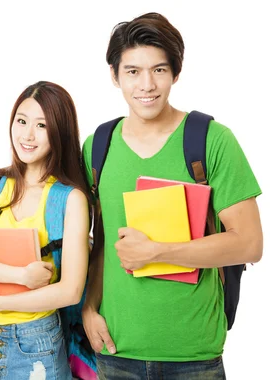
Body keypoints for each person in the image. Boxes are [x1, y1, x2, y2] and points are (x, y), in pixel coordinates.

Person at [81, 12, 263, 379]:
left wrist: (158, 252)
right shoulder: (97, 146)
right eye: (132, 71)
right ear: (114, 75)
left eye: (159, 70)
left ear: (175, 73)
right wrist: (89, 308)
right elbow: (100, 241)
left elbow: (249, 244)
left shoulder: (212, 140)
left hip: (193, 353)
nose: (146, 84)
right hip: (116, 349)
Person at [0, 81, 90, 379]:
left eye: (41, 125)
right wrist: (21, 276)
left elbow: (71, 290)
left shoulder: (70, 199)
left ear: (59, 132)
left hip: (37, 341)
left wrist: (1, 302)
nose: (27, 135)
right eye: (22, 121)